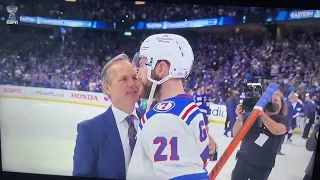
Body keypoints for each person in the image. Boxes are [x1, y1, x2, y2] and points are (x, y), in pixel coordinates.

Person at [127, 33, 216, 180]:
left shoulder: (164, 119)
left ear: (161, 69)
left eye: (143, 64)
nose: (138, 73)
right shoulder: (185, 107)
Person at [72, 54, 145, 179]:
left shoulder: (153, 119)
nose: (132, 84)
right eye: (123, 79)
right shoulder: (89, 131)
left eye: (135, 77)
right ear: (107, 88)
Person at [231, 89, 290, 180]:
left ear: (281, 105)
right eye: (269, 100)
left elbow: (276, 130)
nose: (272, 102)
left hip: (263, 166)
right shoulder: (251, 116)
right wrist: (240, 119)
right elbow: (236, 135)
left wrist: (261, 113)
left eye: (276, 100)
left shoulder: (283, 120)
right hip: (243, 161)